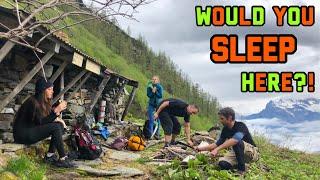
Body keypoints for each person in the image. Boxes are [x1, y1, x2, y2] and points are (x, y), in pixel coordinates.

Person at [13, 77, 75, 168]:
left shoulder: (43, 102)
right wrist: (56, 111)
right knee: (56, 127)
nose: (52, 91)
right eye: (49, 89)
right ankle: (63, 158)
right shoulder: (32, 102)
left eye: (52, 89)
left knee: (59, 126)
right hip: (23, 134)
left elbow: (46, 120)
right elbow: (41, 122)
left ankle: (50, 155)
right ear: (42, 90)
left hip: (31, 130)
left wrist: (58, 112)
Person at [195, 107, 259, 175]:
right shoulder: (225, 130)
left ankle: (241, 170)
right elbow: (216, 144)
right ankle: (239, 165)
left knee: (237, 143)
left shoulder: (241, 126)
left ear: (230, 118)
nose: (220, 121)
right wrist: (200, 149)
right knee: (222, 164)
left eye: (222, 118)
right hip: (236, 153)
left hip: (251, 153)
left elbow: (235, 140)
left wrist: (217, 149)